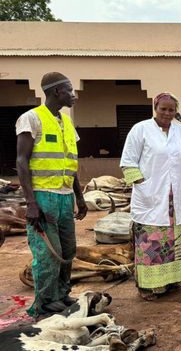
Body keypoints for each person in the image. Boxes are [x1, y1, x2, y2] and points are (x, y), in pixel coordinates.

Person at [15, 72, 88, 317]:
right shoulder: (31, 119)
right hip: (43, 196)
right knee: (48, 253)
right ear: (57, 91)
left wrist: (79, 196)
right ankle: (45, 302)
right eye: (69, 89)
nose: (73, 94)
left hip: (65, 196)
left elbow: (71, 163)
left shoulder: (66, 122)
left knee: (67, 250)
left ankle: (61, 294)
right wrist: (31, 203)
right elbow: (22, 161)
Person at [120, 92, 181, 301]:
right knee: (151, 243)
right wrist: (143, 185)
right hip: (150, 196)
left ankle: (171, 280)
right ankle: (149, 286)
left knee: (172, 241)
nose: (167, 113)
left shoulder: (180, 131)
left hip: (175, 196)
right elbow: (128, 162)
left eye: (172, 110)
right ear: (155, 107)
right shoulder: (141, 129)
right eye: (163, 109)